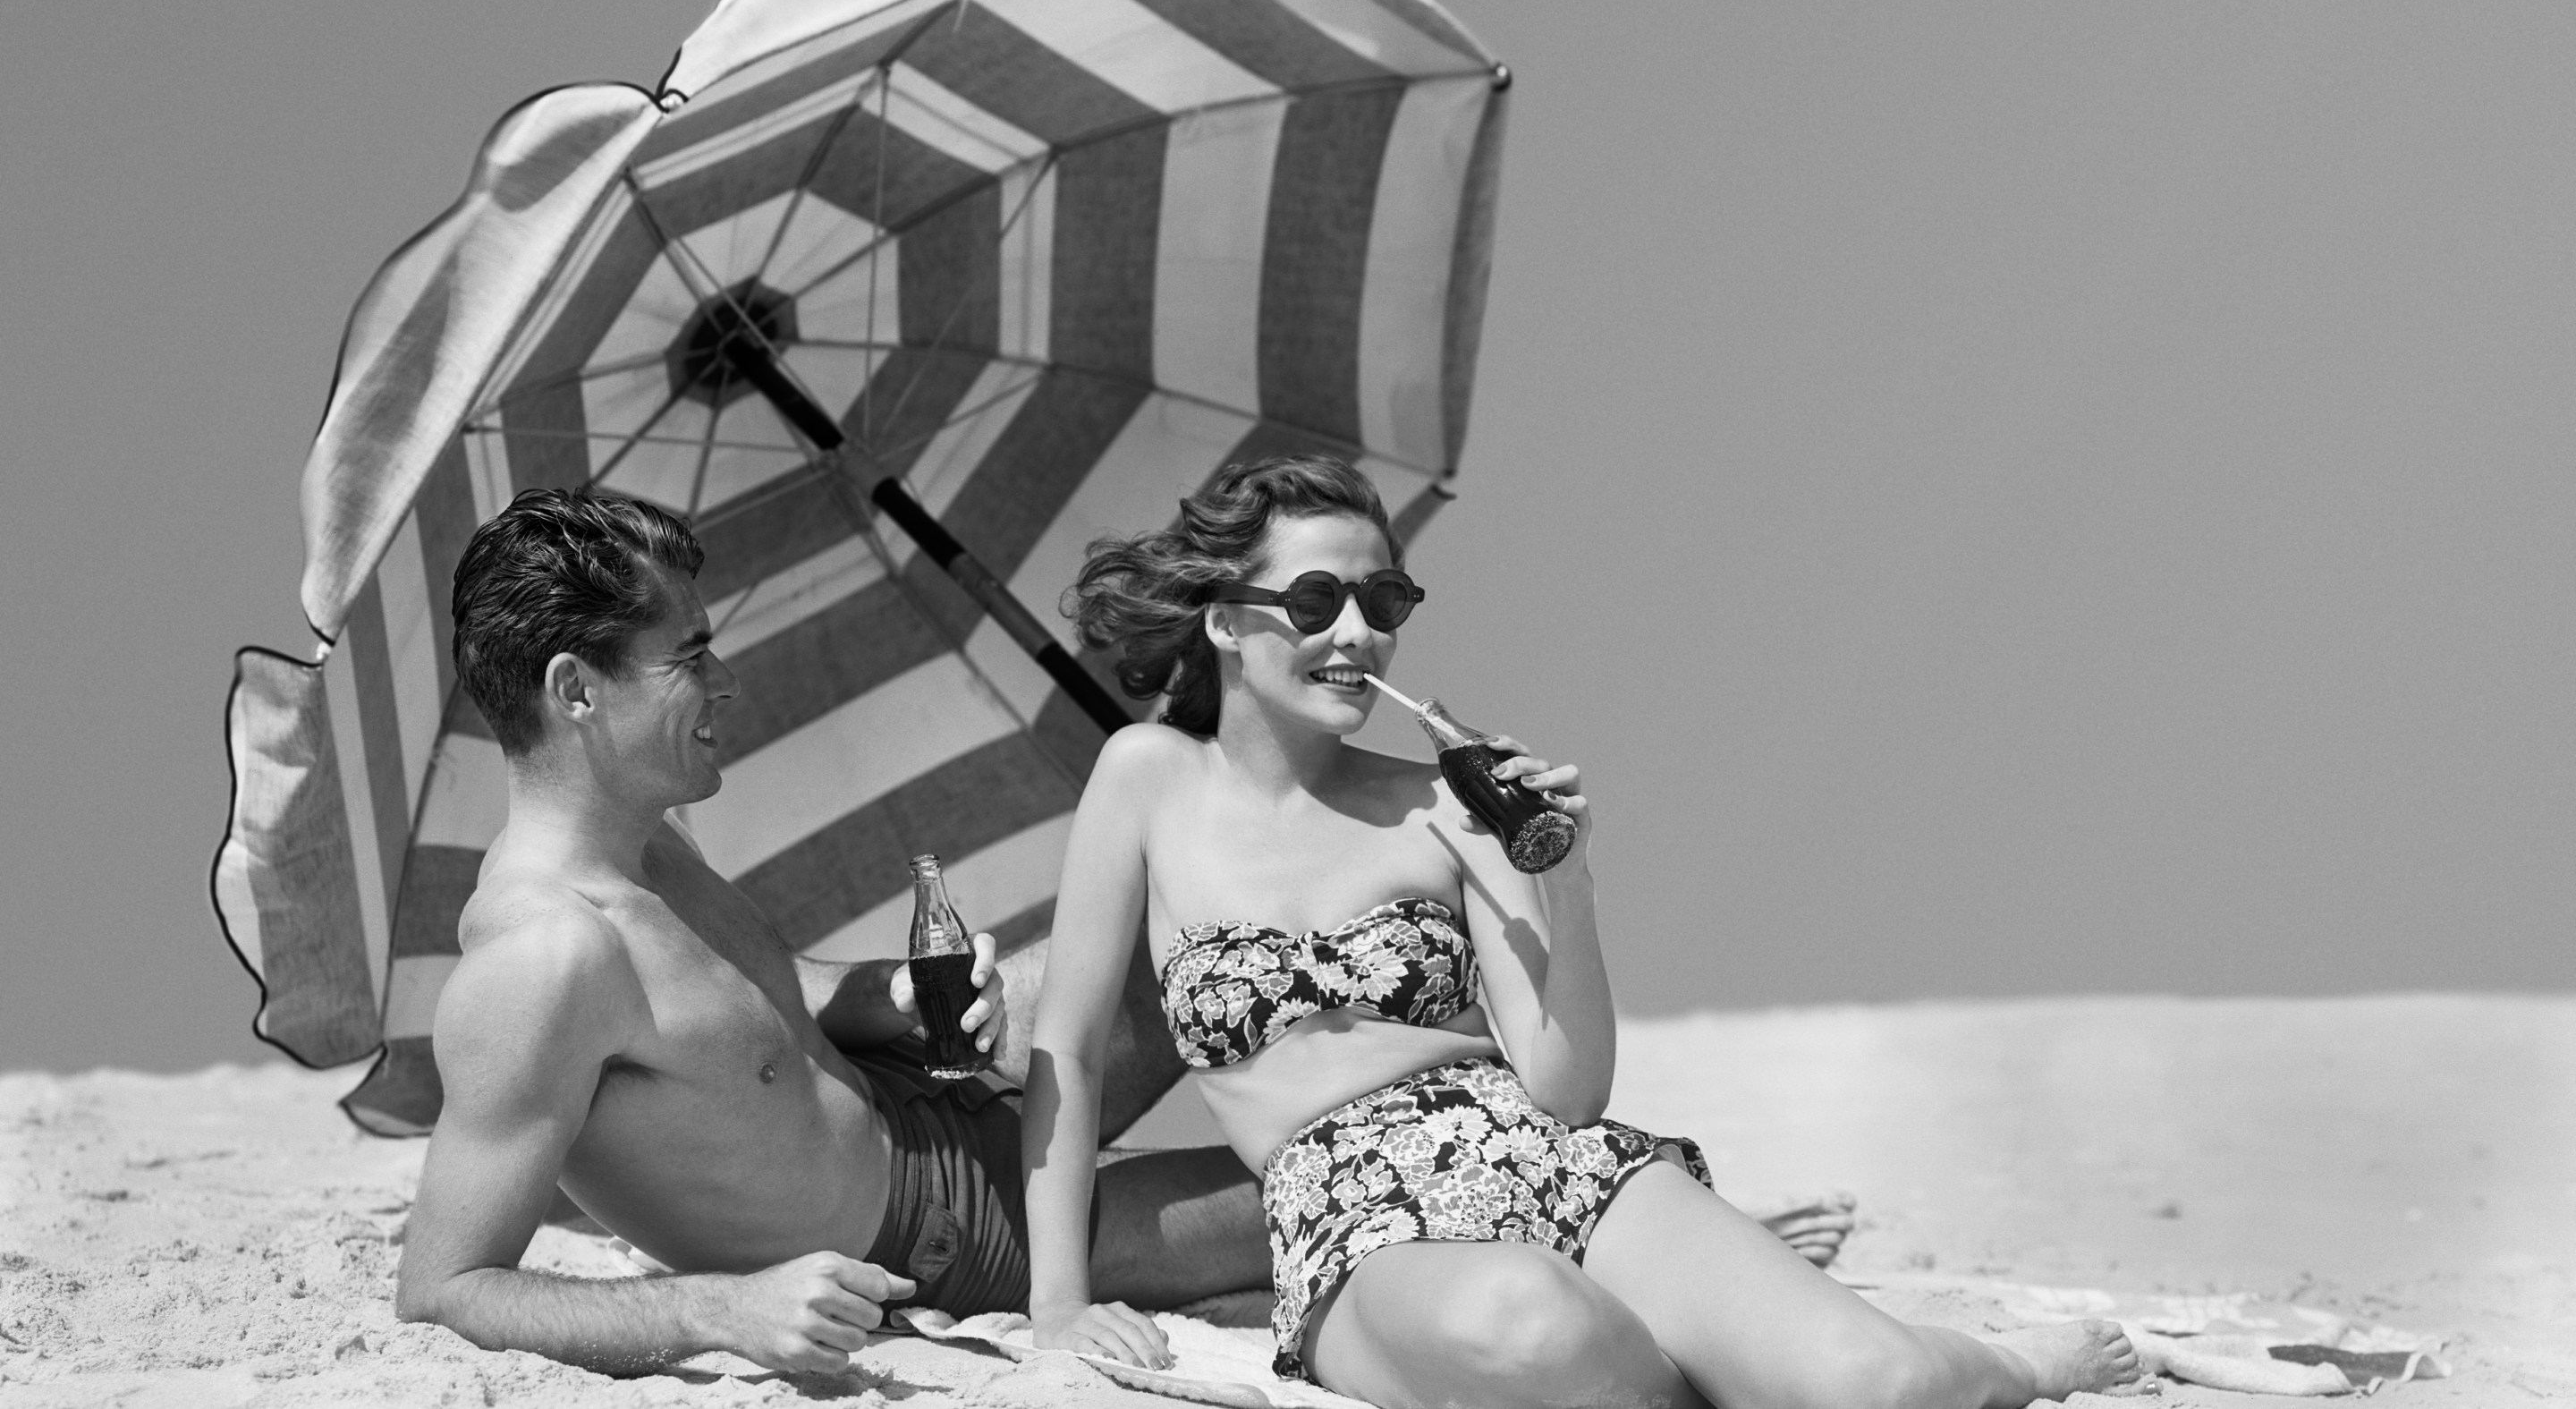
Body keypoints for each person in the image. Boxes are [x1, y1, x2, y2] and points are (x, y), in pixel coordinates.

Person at [1021, 456, 2144, 1408]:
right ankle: (1707, 1366)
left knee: (1875, 1386)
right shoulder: (1148, 780)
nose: (1358, 633)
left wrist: (1566, 878)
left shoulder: (1446, 809)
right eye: (1315, 603)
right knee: (1529, 1326)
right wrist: (1059, 1303)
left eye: (1387, 602)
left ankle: (2010, 1365)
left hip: (1542, 1156)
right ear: (1225, 619)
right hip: (1350, 1212)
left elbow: (1566, 1088)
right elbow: (1065, 1054)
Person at [393, 489, 1265, 1375]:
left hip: (924, 1077)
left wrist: (889, 996)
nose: (724, 679)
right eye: (690, 655)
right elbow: (446, 1287)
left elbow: (756, 997)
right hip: (952, 1225)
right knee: (1334, 1194)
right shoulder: (541, 963)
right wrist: (722, 1307)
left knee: (1233, 892)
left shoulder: (647, 838)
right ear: (577, 690)